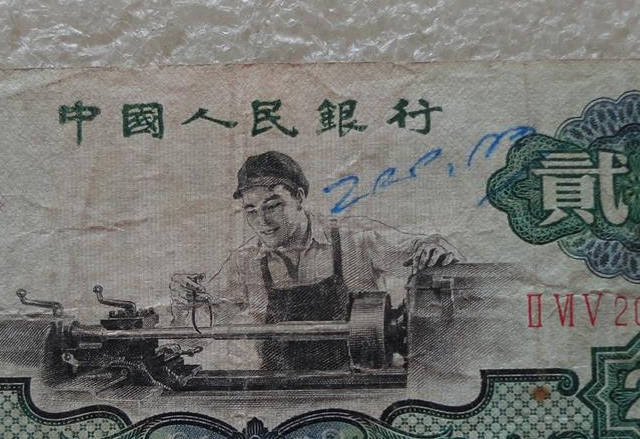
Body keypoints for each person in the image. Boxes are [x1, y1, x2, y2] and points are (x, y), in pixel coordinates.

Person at [173, 151, 460, 372]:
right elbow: (201, 327)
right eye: (251, 211)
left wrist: (433, 249)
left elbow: (425, 250)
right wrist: (187, 303)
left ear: (299, 197)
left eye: (273, 206)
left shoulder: (354, 239)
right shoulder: (244, 261)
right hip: (278, 389)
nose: (263, 222)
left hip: (362, 386)